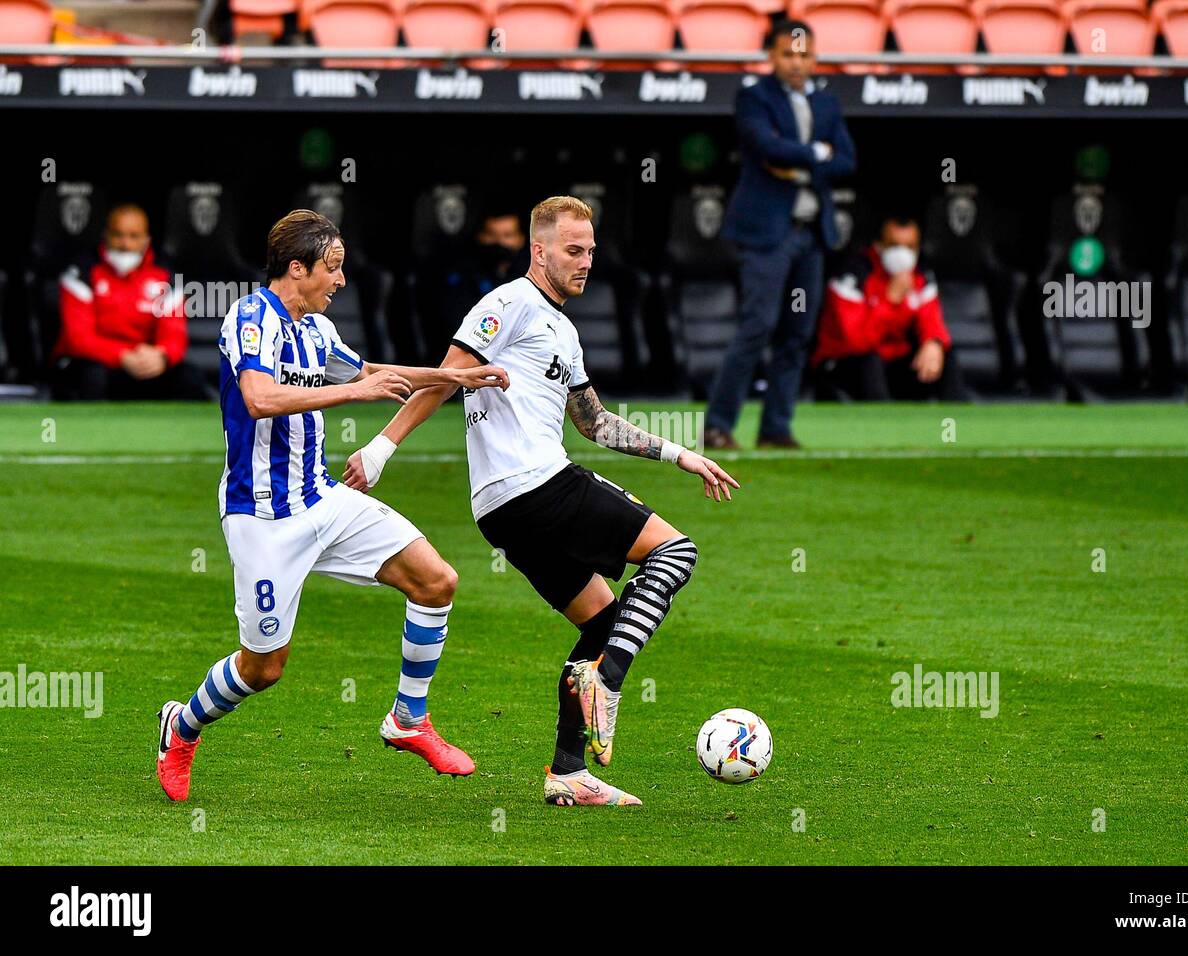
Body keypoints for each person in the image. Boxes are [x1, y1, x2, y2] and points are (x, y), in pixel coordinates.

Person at [345, 196, 740, 807]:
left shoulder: (563, 329)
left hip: (505, 511)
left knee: (606, 623)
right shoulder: (509, 304)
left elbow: (595, 423)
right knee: (676, 553)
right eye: (572, 250)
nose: (584, 262)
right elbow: (447, 376)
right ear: (540, 250)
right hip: (538, 485)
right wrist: (380, 448)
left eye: (590, 251)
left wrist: (679, 454)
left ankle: (567, 771)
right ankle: (606, 682)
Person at [155, 209, 510, 801]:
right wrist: (356, 392)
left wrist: (458, 378)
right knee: (263, 669)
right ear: (298, 268)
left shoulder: (316, 330)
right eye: (333, 268)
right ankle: (181, 728)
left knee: (436, 581)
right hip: (262, 515)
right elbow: (259, 397)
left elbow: (370, 371)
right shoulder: (251, 316)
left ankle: (408, 719)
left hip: (322, 500)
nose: (341, 281)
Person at [703, 19, 856, 450]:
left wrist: (802, 161)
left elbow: (846, 159)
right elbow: (765, 147)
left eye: (804, 54)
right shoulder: (754, 96)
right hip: (767, 233)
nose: (796, 62)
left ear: (815, 58)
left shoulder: (826, 103)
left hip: (811, 234)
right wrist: (816, 153)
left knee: (797, 333)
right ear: (772, 56)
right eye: (788, 54)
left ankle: (775, 428)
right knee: (758, 325)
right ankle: (717, 426)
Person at [52, 203, 207, 401]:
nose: (125, 244)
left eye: (133, 236)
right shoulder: (81, 273)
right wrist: (122, 355)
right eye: (118, 235)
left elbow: (174, 335)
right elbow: (79, 339)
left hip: (145, 364)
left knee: (189, 378)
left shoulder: (166, 276)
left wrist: (161, 356)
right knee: (92, 376)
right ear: (106, 235)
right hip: (97, 365)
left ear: (146, 239)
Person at [812, 216, 968, 401]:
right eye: (894, 245)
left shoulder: (920, 276)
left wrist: (933, 343)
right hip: (844, 365)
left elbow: (933, 322)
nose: (902, 254)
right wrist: (890, 301)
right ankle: (883, 425)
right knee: (870, 361)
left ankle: (960, 424)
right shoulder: (853, 275)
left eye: (910, 247)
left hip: (892, 363)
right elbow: (856, 342)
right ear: (879, 245)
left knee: (943, 354)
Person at [427, 208, 530, 357]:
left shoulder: (531, 276)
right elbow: (455, 325)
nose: (499, 243)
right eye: (492, 235)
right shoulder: (461, 276)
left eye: (507, 236)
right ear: (480, 236)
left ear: (521, 239)